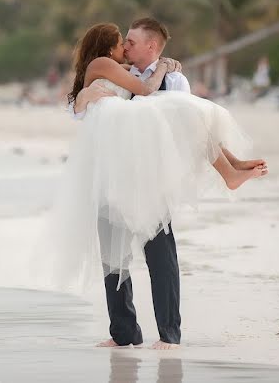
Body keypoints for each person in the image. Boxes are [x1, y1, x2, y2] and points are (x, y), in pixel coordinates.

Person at [51, 20, 267, 351]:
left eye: (131, 41)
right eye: (123, 41)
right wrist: (83, 98)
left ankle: (170, 333)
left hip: (149, 177)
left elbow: (189, 130)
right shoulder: (108, 69)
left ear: (151, 46)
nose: (126, 47)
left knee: (160, 258)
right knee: (113, 258)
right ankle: (124, 332)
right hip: (110, 173)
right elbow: (80, 112)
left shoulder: (174, 79)